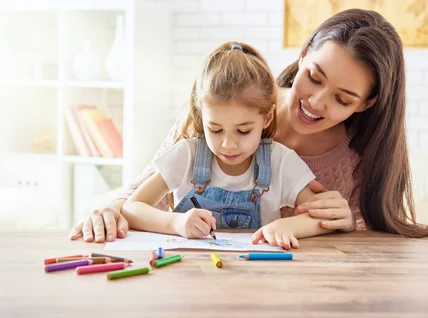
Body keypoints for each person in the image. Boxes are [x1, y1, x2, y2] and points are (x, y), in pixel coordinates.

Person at [70, 8, 428, 243]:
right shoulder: (228, 103)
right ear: (302, 57)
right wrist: (110, 209)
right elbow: (140, 195)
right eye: (314, 77)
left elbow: (362, 243)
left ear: (366, 103)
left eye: (342, 99)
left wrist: (347, 223)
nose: (317, 102)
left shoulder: (355, 158)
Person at [120, 41, 341, 249]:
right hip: (189, 274)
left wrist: (288, 225)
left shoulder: (280, 161)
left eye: (243, 130)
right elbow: (132, 208)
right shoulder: (187, 155)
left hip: (256, 273)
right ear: (201, 116)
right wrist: (175, 223)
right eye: (215, 129)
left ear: (266, 118)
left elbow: (321, 216)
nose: (228, 144)